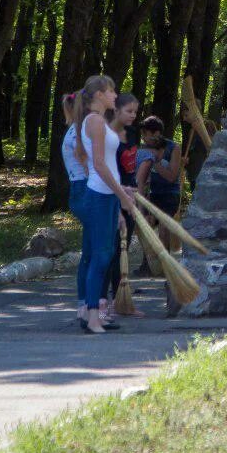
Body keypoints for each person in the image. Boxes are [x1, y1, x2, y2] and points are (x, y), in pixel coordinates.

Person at [74, 75, 137, 334]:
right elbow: (98, 164)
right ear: (100, 94)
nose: (115, 95)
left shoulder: (97, 121)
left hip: (106, 195)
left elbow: (105, 164)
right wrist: (121, 195)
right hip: (99, 197)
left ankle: (91, 314)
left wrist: (120, 189)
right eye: (111, 91)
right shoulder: (96, 121)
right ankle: (92, 317)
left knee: (99, 255)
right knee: (100, 256)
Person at [104, 93, 140, 320]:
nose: (133, 116)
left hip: (130, 195)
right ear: (116, 110)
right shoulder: (106, 135)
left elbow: (130, 168)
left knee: (125, 246)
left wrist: (134, 193)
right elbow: (106, 169)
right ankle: (112, 298)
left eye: (135, 112)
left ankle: (121, 297)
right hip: (113, 195)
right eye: (129, 111)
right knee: (114, 249)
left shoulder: (133, 134)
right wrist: (119, 195)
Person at [136, 116, 182, 218]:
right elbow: (141, 179)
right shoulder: (143, 149)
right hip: (151, 194)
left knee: (164, 231)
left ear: (156, 134)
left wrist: (155, 161)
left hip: (169, 193)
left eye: (145, 134)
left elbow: (172, 177)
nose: (142, 138)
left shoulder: (173, 148)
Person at [60, 92, 89, 222]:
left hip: (79, 186)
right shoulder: (79, 131)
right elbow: (85, 162)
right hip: (84, 186)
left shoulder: (75, 129)